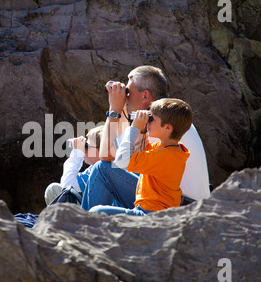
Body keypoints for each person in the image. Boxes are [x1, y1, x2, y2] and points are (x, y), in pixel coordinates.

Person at [81, 65, 210, 211]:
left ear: (145, 96)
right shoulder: (173, 120)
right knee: (126, 173)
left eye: (128, 92)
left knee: (103, 170)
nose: (126, 96)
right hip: (183, 202)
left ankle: (84, 225)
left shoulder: (158, 126)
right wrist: (122, 108)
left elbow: (106, 156)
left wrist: (114, 110)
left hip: (175, 206)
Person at [89, 98, 192, 216]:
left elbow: (122, 161)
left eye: (151, 119)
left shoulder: (166, 156)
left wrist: (134, 128)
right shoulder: (166, 149)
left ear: (168, 128)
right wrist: (142, 130)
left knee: (96, 213)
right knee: (103, 168)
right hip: (147, 208)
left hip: (151, 214)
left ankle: (84, 224)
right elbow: (138, 150)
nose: (148, 122)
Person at [44, 125, 103, 205]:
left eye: (87, 146)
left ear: (101, 151)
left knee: (53, 190)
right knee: (54, 189)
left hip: (100, 215)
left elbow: (67, 184)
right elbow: (69, 184)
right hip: (97, 211)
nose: (84, 149)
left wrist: (77, 153)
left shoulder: (100, 170)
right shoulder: (95, 168)